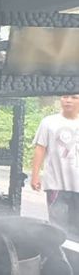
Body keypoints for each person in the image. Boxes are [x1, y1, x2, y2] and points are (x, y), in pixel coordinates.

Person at [31, 94, 79, 238]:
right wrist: (35, 176)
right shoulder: (49, 122)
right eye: (65, 96)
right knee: (58, 229)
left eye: (74, 97)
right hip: (56, 185)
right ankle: (59, 259)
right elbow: (40, 148)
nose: (68, 100)